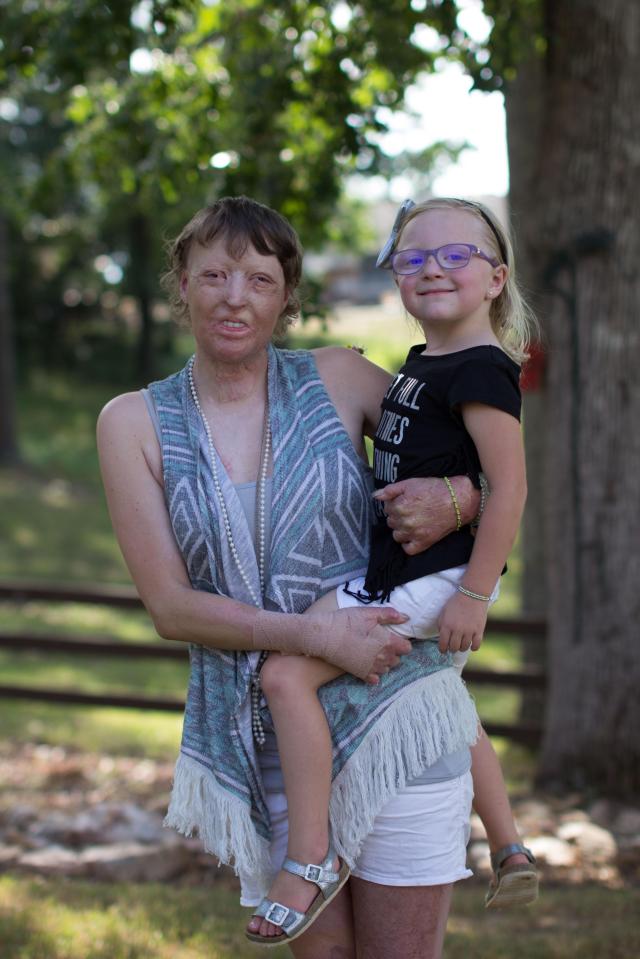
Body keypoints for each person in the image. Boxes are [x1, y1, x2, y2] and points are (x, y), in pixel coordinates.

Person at [97, 195, 485, 959]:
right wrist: (312, 635)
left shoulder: (340, 377)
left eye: (258, 279)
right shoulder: (133, 422)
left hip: (393, 712)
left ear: (287, 295)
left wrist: (457, 495)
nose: (234, 297)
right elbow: (171, 607)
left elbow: (493, 459)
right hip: (271, 738)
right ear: (181, 284)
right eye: (212, 274)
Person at [248, 197, 539, 947]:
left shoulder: (482, 369)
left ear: (496, 277)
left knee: (286, 673)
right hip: (414, 573)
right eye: (411, 257)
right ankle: (506, 841)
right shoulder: (424, 365)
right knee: (437, 688)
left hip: (442, 576)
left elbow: (509, 485)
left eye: (454, 256)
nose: (430, 268)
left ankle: (307, 854)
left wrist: (474, 591)